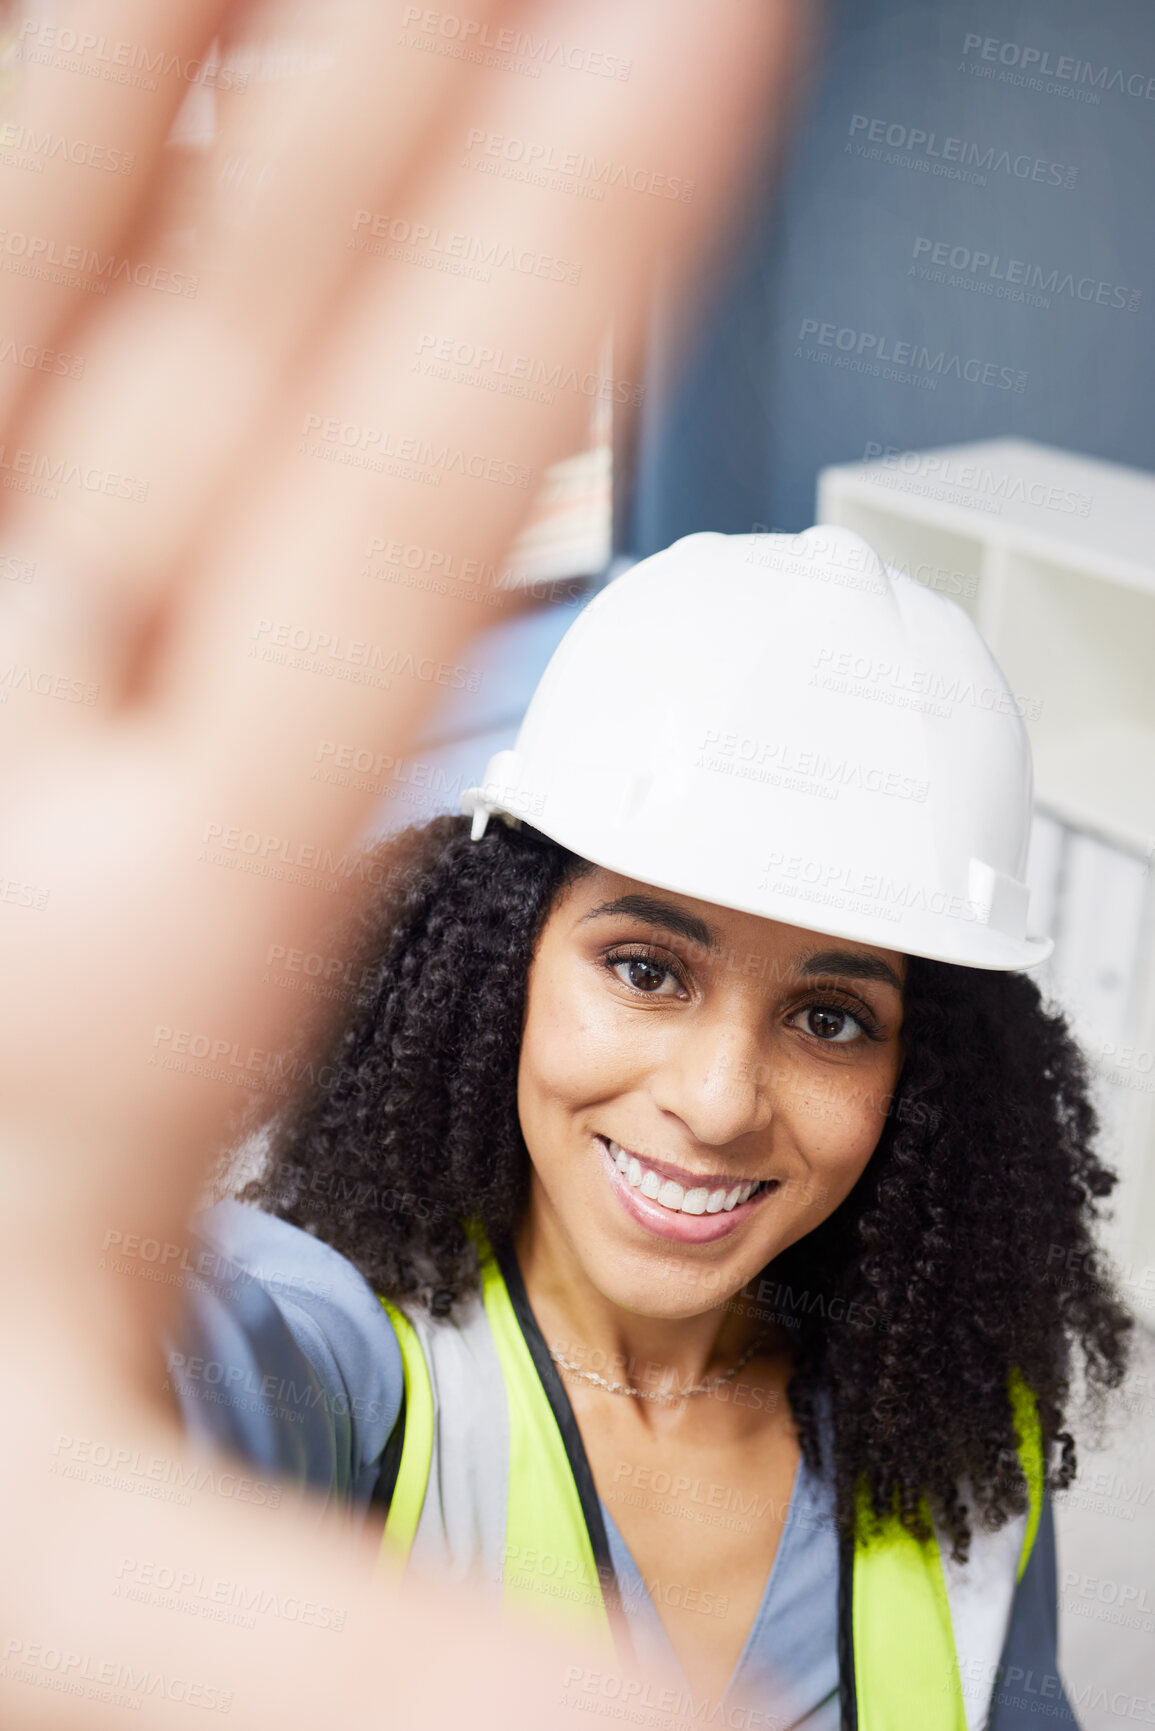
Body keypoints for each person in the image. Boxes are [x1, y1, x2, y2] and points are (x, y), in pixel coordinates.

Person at [171, 526, 1132, 1729]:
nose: (720, 1101)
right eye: (646, 968)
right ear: (501, 964)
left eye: (830, 1019)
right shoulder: (345, 1362)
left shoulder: (957, 1429)